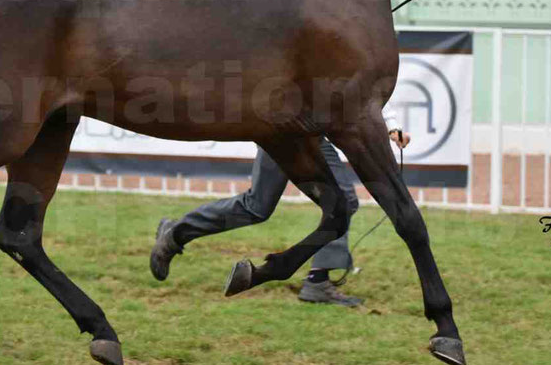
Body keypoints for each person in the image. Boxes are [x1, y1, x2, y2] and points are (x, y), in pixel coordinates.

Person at [151, 112, 410, 306]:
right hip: (293, 131)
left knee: (271, 205)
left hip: (298, 130)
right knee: (267, 205)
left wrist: (391, 124)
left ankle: (318, 280)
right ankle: (176, 233)